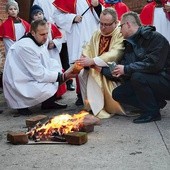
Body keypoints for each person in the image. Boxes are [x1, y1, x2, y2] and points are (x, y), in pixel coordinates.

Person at [3, 19, 77, 116]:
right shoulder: (25, 47)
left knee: (55, 70)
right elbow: (39, 74)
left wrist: (58, 72)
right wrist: (63, 76)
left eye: (47, 33)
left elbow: (47, 62)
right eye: (42, 34)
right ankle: (21, 105)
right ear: (33, 33)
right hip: (19, 83)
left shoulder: (37, 40)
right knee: (51, 83)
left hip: (30, 75)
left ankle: (48, 103)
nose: (46, 37)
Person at [108, 11, 170, 123]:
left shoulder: (155, 38)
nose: (120, 30)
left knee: (138, 76)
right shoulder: (129, 44)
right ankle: (155, 104)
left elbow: (154, 65)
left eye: (120, 26)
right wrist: (115, 71)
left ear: (128, 24)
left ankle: (152, 113)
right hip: (151, 80)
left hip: (166, 80)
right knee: (118, 93)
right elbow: (128, 68)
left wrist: (126, 69)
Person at [76, 8, 125, 119]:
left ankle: (101, 107)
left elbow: (116, 53)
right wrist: (85, 59)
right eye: (101, 23)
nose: (102, 27)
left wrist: (93, 61)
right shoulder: (97, 33)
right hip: (94, 65)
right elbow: (88, 48)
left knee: (95, 74)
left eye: (106, 25)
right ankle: (89, 105)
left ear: (116, 22)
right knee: (81, 73)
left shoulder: (119, 33)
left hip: (112, 70)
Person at [52, 0, 103, 105]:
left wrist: (97, 6)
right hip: (77, 35)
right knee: (79, 65)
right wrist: (72, 18)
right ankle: (80, 95)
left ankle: (97, 93)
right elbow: (56, 16)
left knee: (94, 64)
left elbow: (104, 14)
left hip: (92, 33)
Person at [30, 4, 67, 100]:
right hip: (40, 55)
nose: (38, 16)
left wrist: (54, 43)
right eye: (35, 14)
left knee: (55, 70)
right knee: (44, 74)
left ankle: (57, 94)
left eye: (40, 13)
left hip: (52, 54)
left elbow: (60, 37)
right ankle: (47, 98)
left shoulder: (50, 25)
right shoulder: (31, 29)